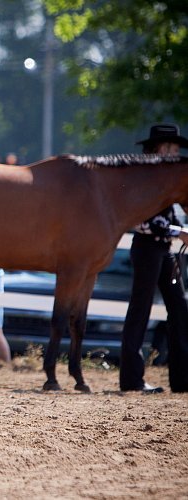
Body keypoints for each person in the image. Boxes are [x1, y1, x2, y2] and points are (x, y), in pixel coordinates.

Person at [120, 123, 188, 394]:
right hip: (147, 248)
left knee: (180, 309)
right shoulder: (144, 179)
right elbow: (141, 220)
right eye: (169, 147)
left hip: (163, 249)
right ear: (156, 148)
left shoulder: (167, 180)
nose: (174, 152)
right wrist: (178, 231)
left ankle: (182, 379)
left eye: (176, 148)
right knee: (140, 309)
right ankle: (132, 380)